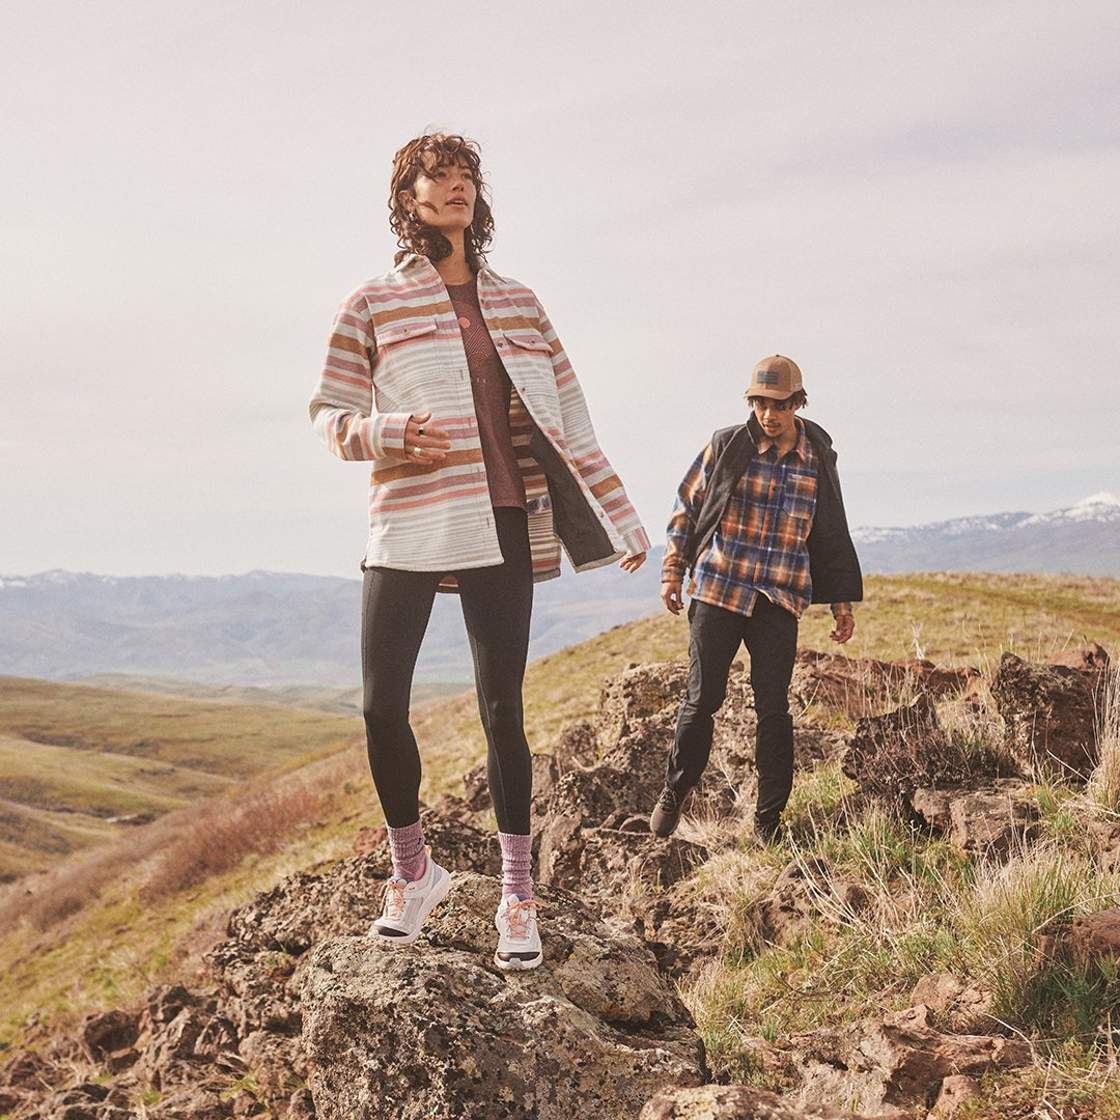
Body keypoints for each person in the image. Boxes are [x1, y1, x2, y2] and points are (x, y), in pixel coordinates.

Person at [309, 133, 649, 970]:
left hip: (505, 518)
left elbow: (571, 419)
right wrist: (387, 432)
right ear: (409, 196)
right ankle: (412, 873)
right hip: (411, 519)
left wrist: (620, 517)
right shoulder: (372, 303)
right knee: (380, 706)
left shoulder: (523, 303)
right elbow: (327, 413)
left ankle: (517, 898)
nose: (455, 187)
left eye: (466, 177)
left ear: (477, 197)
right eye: (437, 177)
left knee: (504, 712)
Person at [650, 355, 862, 842]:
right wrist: (672, 573)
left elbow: (830, 532)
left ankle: (768, 820)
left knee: (774, 710)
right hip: (719, 588)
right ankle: (674, 792)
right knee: (702, 700)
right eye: (762, 404)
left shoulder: (816, 459)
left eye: (780, 405)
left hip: (779, 597)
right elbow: (688, 506)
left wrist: (842, 603)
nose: (770, 414)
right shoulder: (728, 445)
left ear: (797, 404)